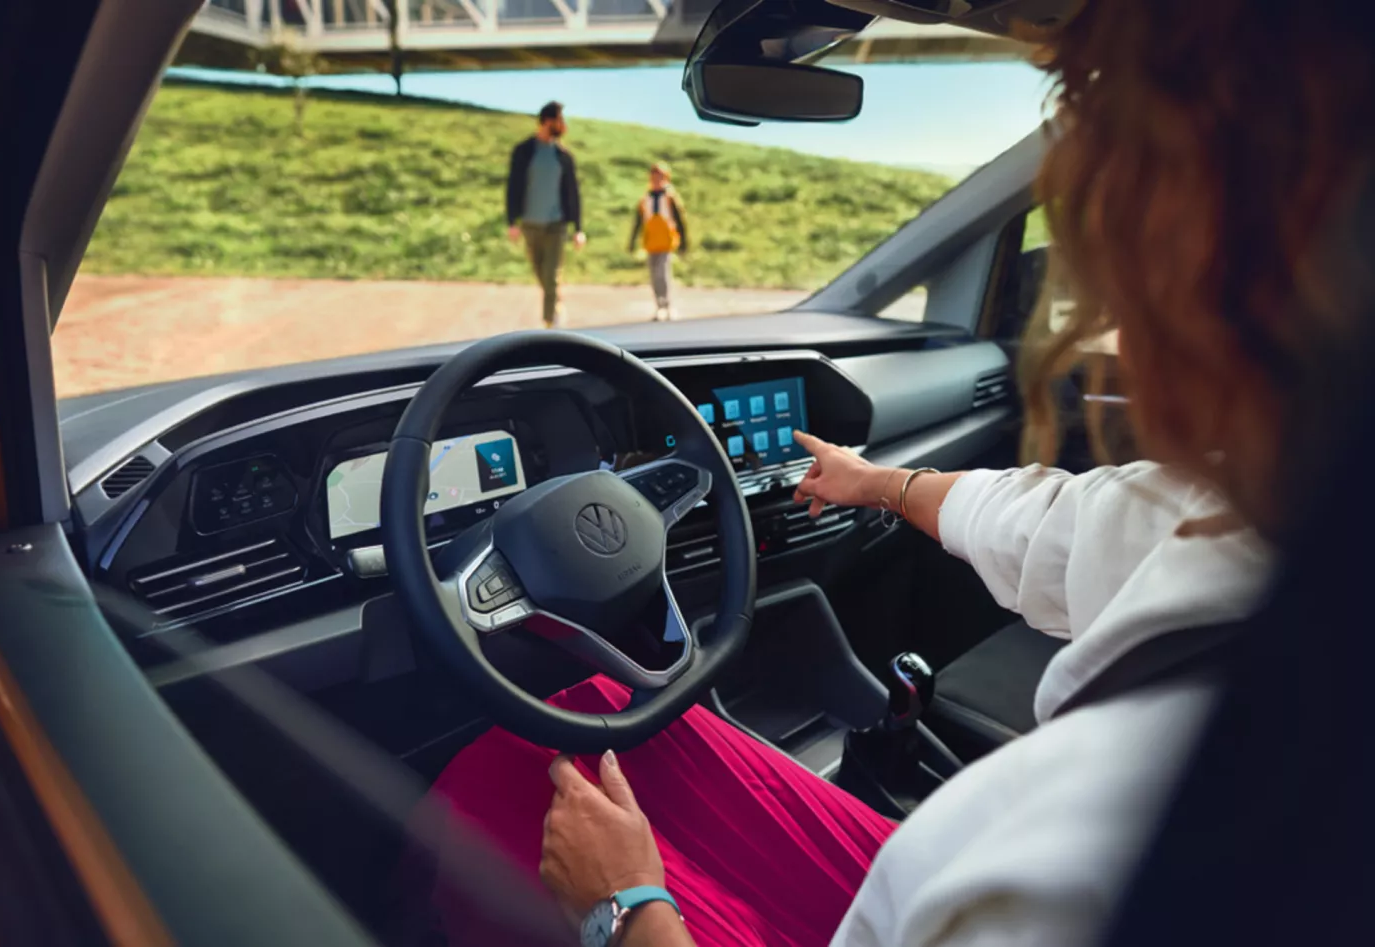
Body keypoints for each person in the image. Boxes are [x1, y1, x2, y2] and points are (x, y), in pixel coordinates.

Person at [425, 3, 1374, 946]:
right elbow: (1070, 525)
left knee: (490, 783)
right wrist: (878, 484)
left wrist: (620, 909)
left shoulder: (1078, 871)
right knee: (599, 703)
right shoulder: (1245, 522)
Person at [506, 101, 585, 328]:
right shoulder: (524, 151)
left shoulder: (563, 156)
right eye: (559, 120)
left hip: (556, 225)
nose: (563, 126)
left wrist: (578, 228)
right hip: (530, 224)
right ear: (547, 121)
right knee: (542, 275)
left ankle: (550, 325)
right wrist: (512, 221)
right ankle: (556, 305)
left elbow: (573, 193)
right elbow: (513, 186)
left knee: (550, 278)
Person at [627, 162, 689, 321]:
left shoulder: (670, 198)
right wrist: (632, 241)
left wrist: (683, 242)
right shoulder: (645, 200)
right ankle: (659, 306)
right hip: (651, 243)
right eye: (654, 178)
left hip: (665, 243)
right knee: (654, 276)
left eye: (660, 178)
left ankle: (667, 305)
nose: (656, 181)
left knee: (663, 274)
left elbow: (680, 220)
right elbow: (638, 222)